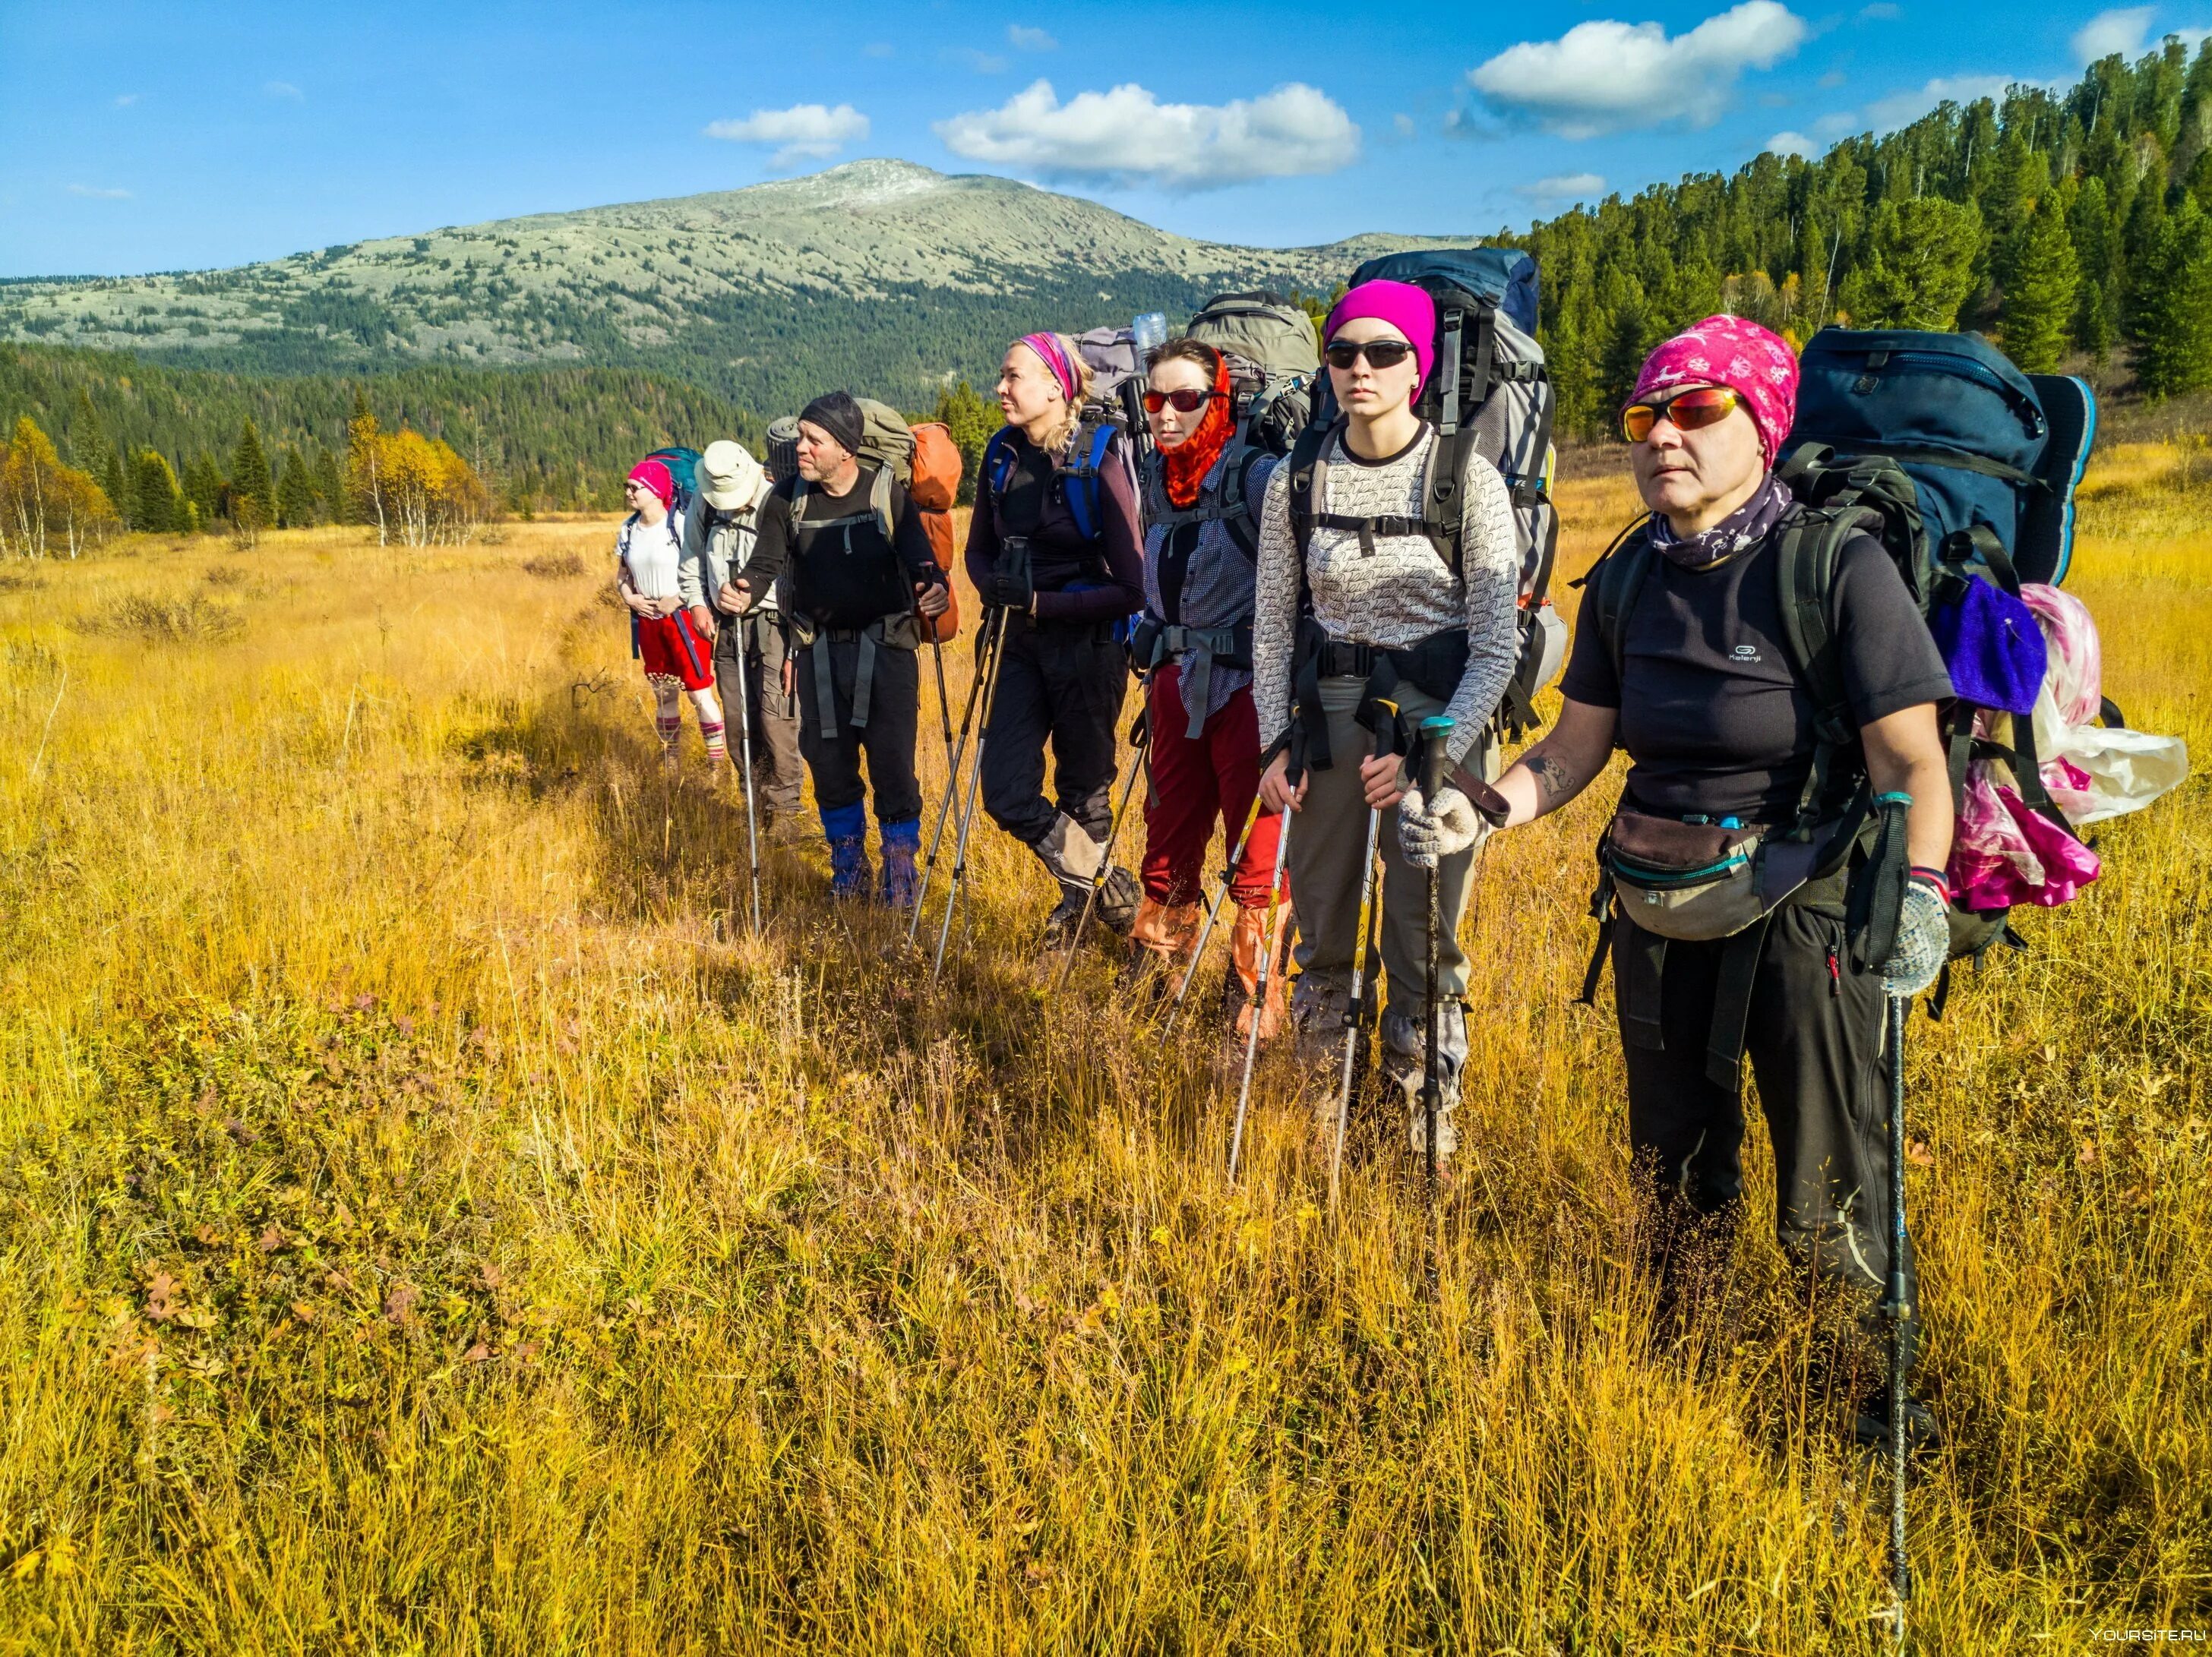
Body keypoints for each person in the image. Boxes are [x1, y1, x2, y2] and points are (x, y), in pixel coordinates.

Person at [1476, 314, 1954, 1448]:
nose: (1662, 438)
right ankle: (1686, 1364)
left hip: (1808, 897)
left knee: (1828, 1166)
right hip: (1658, 887)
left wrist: (1919, 895)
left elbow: (1913, 762)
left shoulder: (1833, 564)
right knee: (1672, 1151)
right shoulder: (1632, 574)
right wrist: (1485, 806)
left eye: (1698, 411)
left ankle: (1866, 1397)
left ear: (1763, 426)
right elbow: (1575, 748)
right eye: (1646, 416)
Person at [1250, 280, 1521, 1160]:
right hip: (1327, 721)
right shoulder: (1297, 476)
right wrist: (1271, 740)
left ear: (1419, 367)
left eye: (1383, 352)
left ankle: (1422, 1121)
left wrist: (1427, 765)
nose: (1359, 368)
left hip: (1438, 723)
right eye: (1342, 352)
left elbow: (1495, 642)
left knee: (1421, 929)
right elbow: (1270, 622)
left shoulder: (1464, 477)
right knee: (1323, 919)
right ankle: (1323, 1108)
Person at [963, 332, 1147, 947]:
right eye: (1003, 375)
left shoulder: (1099, 459)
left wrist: (1043, 601)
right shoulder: (1001, 454)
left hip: (1088, 647)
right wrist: (998, 592)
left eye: (1013, 376)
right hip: (1018, 641)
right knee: (1007, 791)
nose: (1001, 387)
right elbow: (978, 550)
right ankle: (1103, 889)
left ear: (1055, 385)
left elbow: (1131, 589)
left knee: (1085, 790)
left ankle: (1088, 924)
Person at [1127, 336, 1288, 1035]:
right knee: (1166, 840)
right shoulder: (1156, 479)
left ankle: (1253, 1010)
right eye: (1154, 399)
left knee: (1255, 856)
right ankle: (1156, 984)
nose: (1166, 413)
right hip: (1173, 687)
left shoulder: (1256, 475)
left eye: (1186, 399)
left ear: (1218, 401)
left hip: (1248, 693)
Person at [738, 393, 951, 905]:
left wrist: (932, 586)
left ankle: (900, 876)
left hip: (887, 652)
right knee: (829, 764)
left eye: (815, 440)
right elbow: (763, 564)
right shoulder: (787, 497)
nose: (801, 449)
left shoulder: (886, 493)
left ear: (846, 449)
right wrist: (741, 588)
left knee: (893, 764)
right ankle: (849, 871)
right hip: (818, 654)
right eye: (802, 438)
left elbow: (920, 561)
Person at [680, 439, 804, 829]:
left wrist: (795, 648)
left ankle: (784, 821)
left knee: (776, 722)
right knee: (737, 722)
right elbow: (691, 558)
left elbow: (800, 573)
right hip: (727, 629)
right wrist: (698, 603)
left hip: (774, 626)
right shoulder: (702, 504)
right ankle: (754, 809)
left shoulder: (776, 503)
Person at [616, 458, 725, 780]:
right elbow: (622, 576)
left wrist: (676, 599)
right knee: (663, 693)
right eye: (628, 486)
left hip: (683, 619)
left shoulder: (679, 524)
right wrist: (630, 598)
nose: (629, 492)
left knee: (698, 691)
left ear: (655, 490)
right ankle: (671, 765)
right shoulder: (628, 529)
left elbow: (705, 572)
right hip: (648, 622)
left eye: (635, 487)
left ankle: (716, 767)